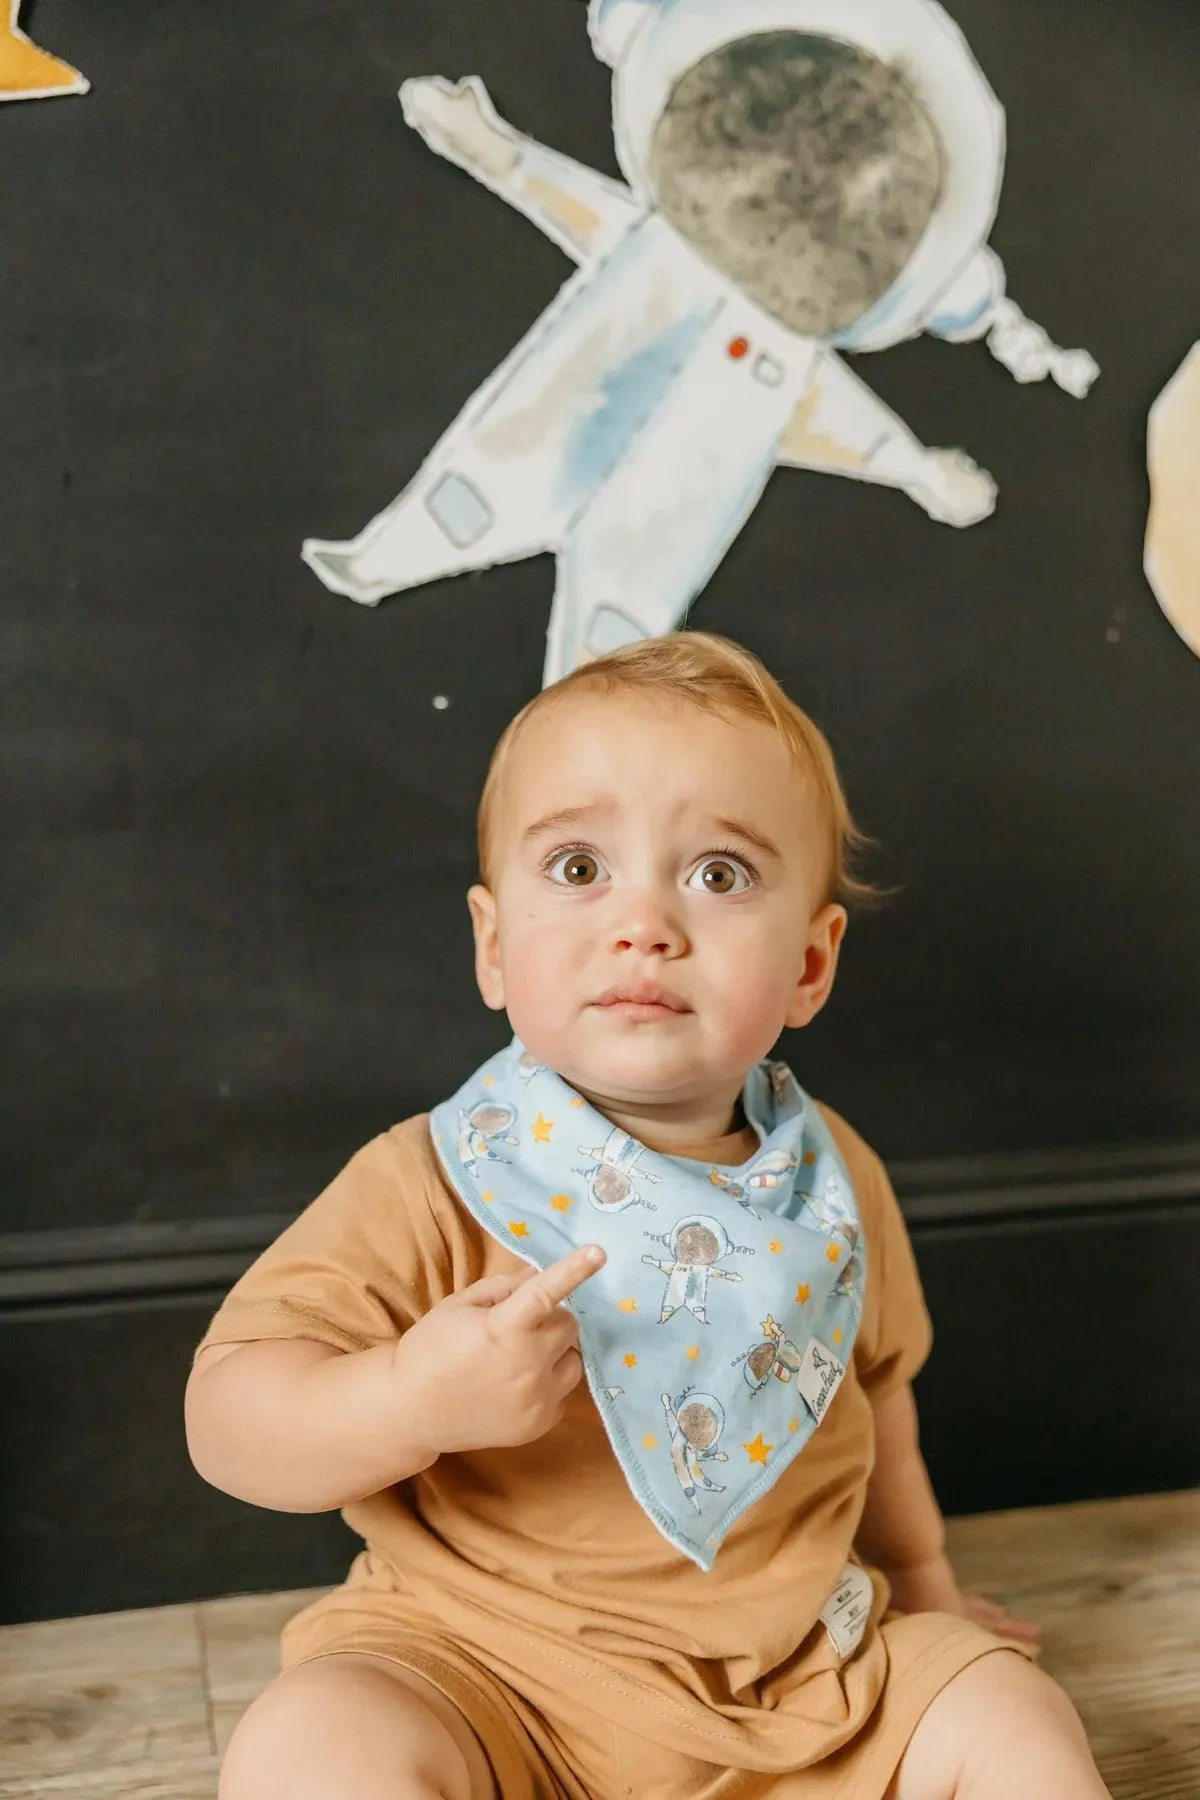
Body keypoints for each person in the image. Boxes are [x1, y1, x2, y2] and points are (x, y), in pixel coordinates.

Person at [186, 632, 1112, 1799]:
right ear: (490, 944)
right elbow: (225, 1420)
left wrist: (927, 1584)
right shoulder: (434, 1178)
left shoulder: (830, 1187)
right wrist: (408, 1398)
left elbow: (872, 1391)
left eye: (718, 874)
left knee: (1014, 1716)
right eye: (578, 869)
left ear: (812, 967)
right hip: (482, 1679)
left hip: (799, 1687)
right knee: (311, 1745)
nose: (645, 923)